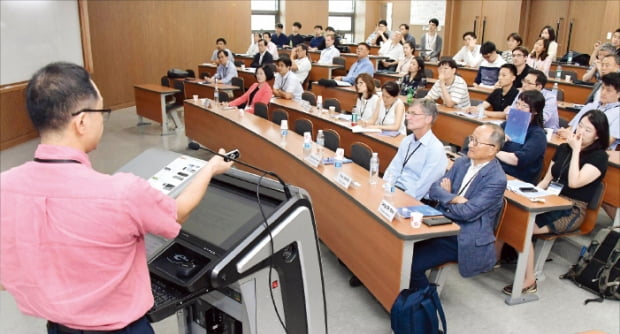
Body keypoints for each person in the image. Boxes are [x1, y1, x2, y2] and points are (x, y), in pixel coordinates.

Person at [0, 62, 233, 333]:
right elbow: (178, 213)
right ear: (82, 121)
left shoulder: (5, 186)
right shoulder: (120, 193)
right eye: (102, 111)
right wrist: (210, 169)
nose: (102, 119)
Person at [503, 109, 609, 295]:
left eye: (588, 130)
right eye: (580, 126)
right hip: (550, 198)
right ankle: (496, 258)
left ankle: (529, 281)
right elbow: (546, 180)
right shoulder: (563, 148)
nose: (581, 132)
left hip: (572, 208)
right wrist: (530, 196)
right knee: (511, 212)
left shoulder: (599, 157)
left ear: (598, 136)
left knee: (524, 226)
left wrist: (576, 150)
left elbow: (575, 182)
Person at [409, 123, 507, 290]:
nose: (470, 145)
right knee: (395, 243)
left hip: (462, 234)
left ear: (492, 149)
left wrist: (446, 198)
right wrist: (454, 198)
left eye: (476, 142)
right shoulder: (463, 162)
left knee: (412, 264)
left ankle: (425, 305)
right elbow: (434, 189)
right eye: (471, 139)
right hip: (441, 221)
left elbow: (467, 213)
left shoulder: (497, 179)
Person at [383, 99, 448, 200]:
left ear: (428, 119)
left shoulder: (435, 149)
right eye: (408, 113)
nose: (408, 117)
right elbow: (393, 170)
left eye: (414, 114)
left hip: (413, 199)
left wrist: (396, 198)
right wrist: (386, 190)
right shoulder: (407, 140)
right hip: (395, 191)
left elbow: (421, 188)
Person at [558, 72, 620, 150]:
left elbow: (606, 142)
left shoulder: (618, 113)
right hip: (571, 145)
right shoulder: (591, 106)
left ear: (618, 94)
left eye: (608, 90)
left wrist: (572, 136)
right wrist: (563, 132)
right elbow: (571, 128)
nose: (603, 93)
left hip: (594, 154)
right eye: (603, 88)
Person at [497, 90, 547, 184]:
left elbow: (518, 160)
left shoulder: (538, 135)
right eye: (518, 104)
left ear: (535, 111)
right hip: (497, 168)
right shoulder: (506, 124)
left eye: (524, 106)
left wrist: (493, 150)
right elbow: (488, 140)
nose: (519, 108)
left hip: (517, 177)